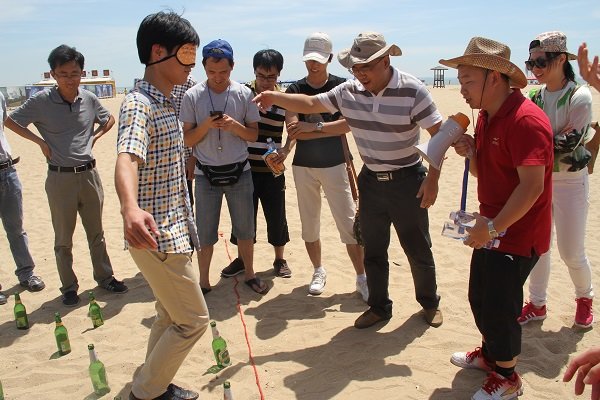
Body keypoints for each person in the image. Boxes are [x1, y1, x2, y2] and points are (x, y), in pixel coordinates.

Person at [253, 31, 443, 327]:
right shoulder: (349, 91)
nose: (359, 73)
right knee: (374, 249)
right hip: (371, 180)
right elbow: (312, 104)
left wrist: (432, 179)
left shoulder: (413, 89)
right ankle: (379, 307)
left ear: (385, 60)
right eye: (355, 67)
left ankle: (429, 304)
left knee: (417, 247)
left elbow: (439, 137)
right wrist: (274, 95)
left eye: (365, 66)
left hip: (408, 178)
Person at [440, 36, 553, 399]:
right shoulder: (487, 116)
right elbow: (485, 174)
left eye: (468, 80)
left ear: (495, 78)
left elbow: (531, 187)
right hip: (491, 227)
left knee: (501, 307)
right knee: (480, 297)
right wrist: (471, 153)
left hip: (518, 233)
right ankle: (491, 357)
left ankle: (508, 378)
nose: (462, 90)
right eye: (460, 81)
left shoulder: (525, 120)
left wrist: (492, 226)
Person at [115, 11, 207, 400]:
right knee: (194, 321)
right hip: (157, 235)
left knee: (169, 315)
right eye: (186, 54)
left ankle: (153, 383)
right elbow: (126, 157)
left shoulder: (174, 99)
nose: (192, 63)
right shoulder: (140, 104)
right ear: (157, 52)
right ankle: (145, 392)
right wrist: (129, 208)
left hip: (175, 226)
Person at [6, 44, 127, 307]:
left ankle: (105, 278)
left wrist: (94, 137)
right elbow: (11, 121)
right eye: (63, 73)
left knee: (97, 232)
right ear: (53, 74)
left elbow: (109, 120)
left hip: (89, 175)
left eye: (74, 73)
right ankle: (69, 287)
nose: (70, 79)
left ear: (81, 73)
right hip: (59, 178)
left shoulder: (90, 99)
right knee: (63, 238)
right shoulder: (40, 102)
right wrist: (40, 143)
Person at [278, 32, 367, 300]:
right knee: (309, 224)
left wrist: (312, 126)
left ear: (329, 58)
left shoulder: (343, 86)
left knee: (349, 224)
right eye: (309, 60)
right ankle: (318, 270)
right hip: (303, 166)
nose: (312, 65)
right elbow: (293, 130)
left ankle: (361, 276)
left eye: (318, 60)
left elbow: (349, 125)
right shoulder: (294, 90)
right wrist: (325, 128)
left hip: (337, 163)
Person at [517, 31, 595, 328]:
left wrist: (529, 148)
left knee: (571, 250)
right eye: (531, 62)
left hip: (570, 182)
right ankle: (536, 304)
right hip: (539, 180)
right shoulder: (534, 96)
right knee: (539, 246)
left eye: (541, 61)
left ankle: (585, 298)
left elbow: (571, 141)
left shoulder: (579, 95)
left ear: (561, 59)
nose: (535, 68)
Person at [180, 39, 267, 295]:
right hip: (205, 174)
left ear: (232, 67)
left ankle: (250, 273)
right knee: (205, 232)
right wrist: (206, 125)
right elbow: (187, 139)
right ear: (204, 68)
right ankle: (204, 281)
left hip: (240, 172)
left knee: (245, 229)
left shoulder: (243, 94)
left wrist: (234, 127)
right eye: (211, 72)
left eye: (224, 72)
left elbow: (253, 135)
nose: (218, 78)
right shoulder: (192, 95)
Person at [220, 49, 293, 280]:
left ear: (279, 75)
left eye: (271, 77)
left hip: (272, 169)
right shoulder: (243, 94)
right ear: (254, 72)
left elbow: (294, 128)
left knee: (276, 215)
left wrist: (286, 149)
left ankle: (280, 259)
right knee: (243, 217)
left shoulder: (285, 98)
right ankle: (242, 260)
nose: (265, 82)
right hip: (244, 168)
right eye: (261, 76)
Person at [0, 92, 45, 305]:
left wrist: (38, 140)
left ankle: (27, 274)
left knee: (16, 228)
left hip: (7, 171)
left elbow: (7, 121)